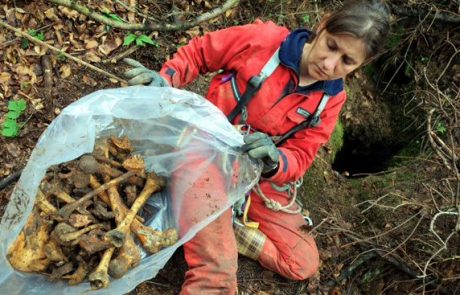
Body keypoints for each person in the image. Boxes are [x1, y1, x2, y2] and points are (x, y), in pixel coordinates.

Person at [124, 0, 391, 293]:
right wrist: (166, 79)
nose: (329, 64)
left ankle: (215, 223)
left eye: (347, 61)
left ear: (362, 64)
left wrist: (276, 161)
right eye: (331, 45)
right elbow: (200, 53)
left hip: (252, 181)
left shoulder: (331, 99)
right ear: (323, 24)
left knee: (302, 262)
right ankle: (209, 227)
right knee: (217, 277)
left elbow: (301, 155)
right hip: (202, 155)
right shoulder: (264, 41)